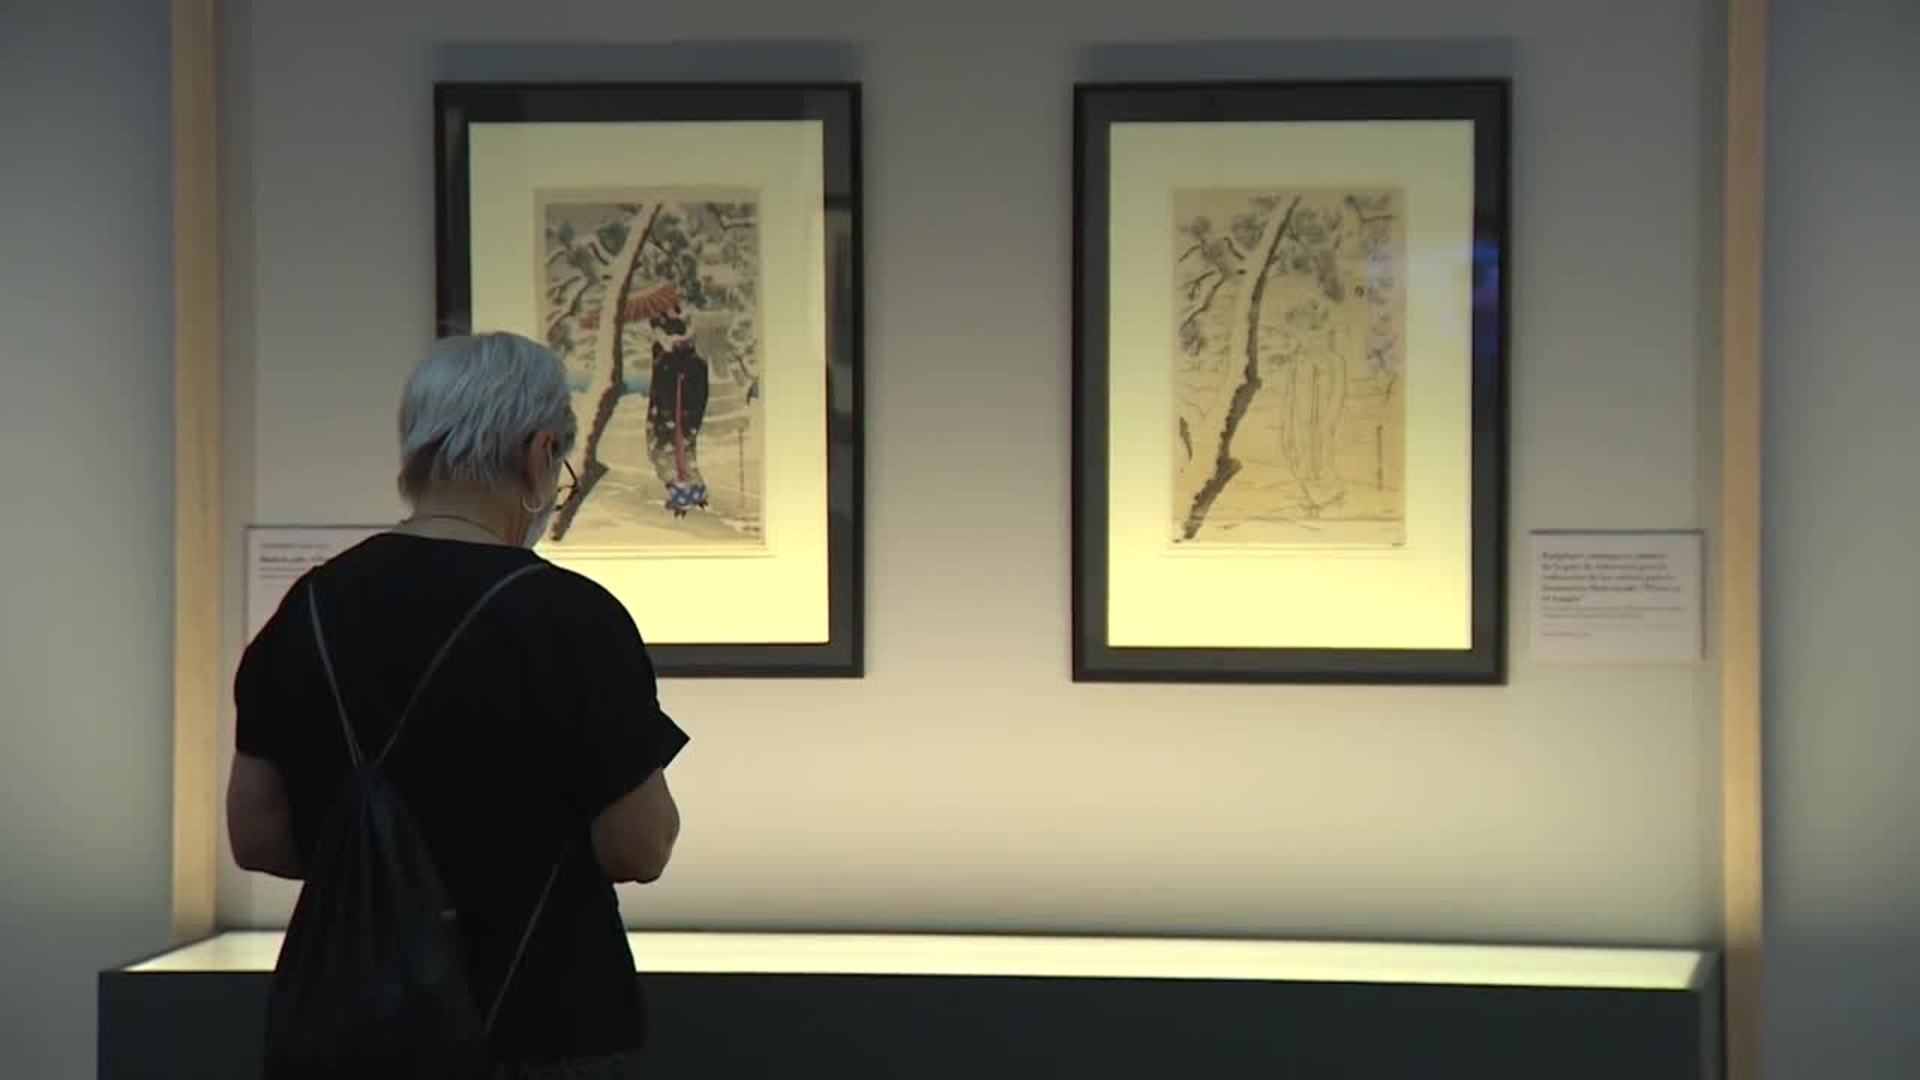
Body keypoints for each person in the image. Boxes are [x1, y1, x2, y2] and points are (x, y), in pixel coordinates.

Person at [226, 332, 688, 1078]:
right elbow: (639, 846)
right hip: (535, 1023)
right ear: (538, 454)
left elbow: (258, 838)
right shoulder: (573, 619)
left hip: (352, 1030)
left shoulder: (308, 608)